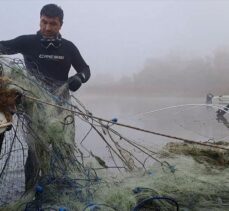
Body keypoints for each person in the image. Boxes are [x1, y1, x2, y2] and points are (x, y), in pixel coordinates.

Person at [0, 4, 91, 190]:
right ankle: (29, 195)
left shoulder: (68, 47)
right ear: (40, 19)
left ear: (61, 25)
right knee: (35, 153)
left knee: (64, 150)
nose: (48, 28)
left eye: (53, 24)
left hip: (61, 107)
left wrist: (78, 78)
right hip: (35, 106)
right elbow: (2, 47)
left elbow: (85, 69)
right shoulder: (27, 42)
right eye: (44, 22)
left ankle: (61, 191)